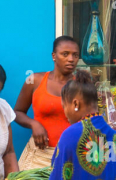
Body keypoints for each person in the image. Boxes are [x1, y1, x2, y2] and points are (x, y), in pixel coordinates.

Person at [14, 36, 79, 170]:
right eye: (65, 54)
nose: (71, 59)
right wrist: (34, 124)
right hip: (38, 157)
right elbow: (17, 112)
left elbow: (92, 119)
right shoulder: (34, 80)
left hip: (72, 156)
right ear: (54, 56)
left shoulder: (83, 85)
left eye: (75, 55)